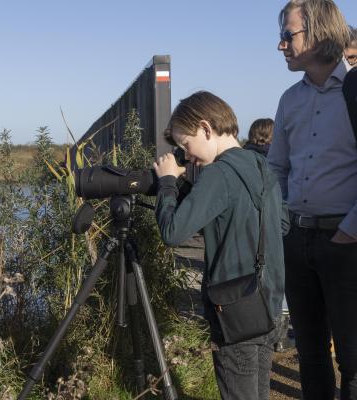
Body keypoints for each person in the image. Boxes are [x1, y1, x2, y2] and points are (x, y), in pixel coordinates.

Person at [153, 91, 287, 399]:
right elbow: (283, 223)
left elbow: (172, 232)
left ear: (205, 128)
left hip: (235, 310)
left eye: (185, 143)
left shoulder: (218, 174)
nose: (186, 156)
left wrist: (168, 183)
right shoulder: (261, 164)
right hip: (268, 306)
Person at [268, 1, 357, 398]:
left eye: (288, 35)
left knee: (353, 359)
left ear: (319, 33)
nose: (281, 45)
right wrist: (280, 224)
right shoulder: (290, 99)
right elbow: (276, 170)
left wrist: (348, 232)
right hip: (297, 240)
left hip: (347, 242)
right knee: (310, 353)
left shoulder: (354, 91)